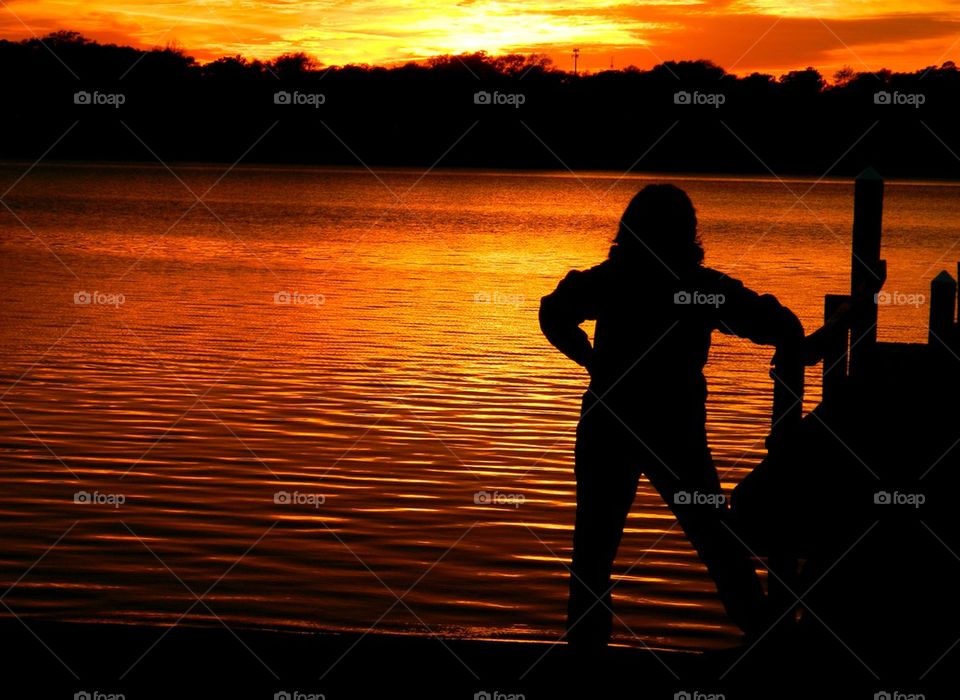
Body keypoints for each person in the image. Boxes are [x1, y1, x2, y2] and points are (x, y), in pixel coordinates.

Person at [539, 184, 804, 651]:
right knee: (715, 540)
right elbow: (777, 324)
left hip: (610, 425)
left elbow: (553, 312)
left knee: (594, 551)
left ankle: (585, 655)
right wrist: (795, 334)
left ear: (629, 230)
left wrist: (592, 362)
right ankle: (768, 638)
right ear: (688, 234)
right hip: (673, 430)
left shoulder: (612, 280)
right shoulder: (699, 288)